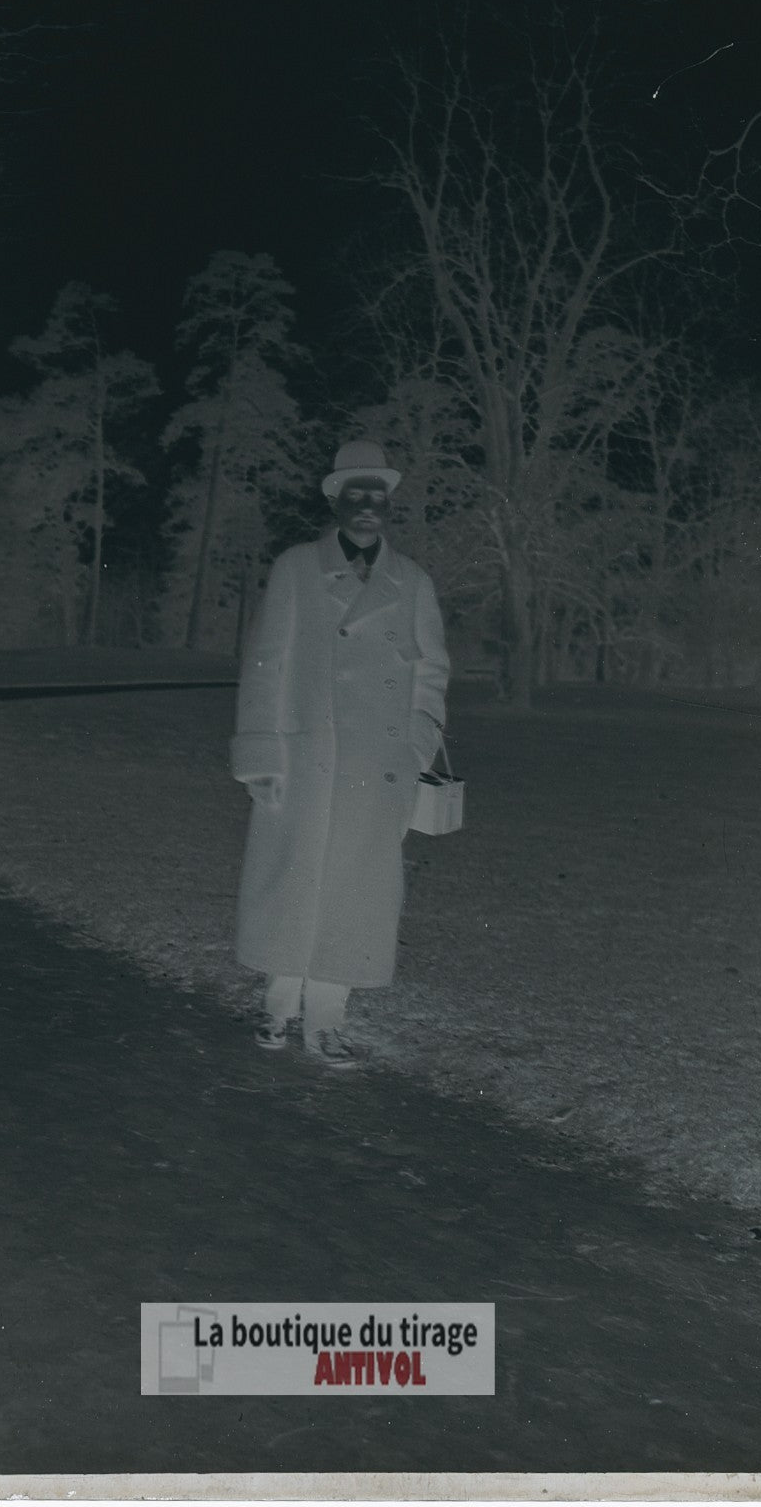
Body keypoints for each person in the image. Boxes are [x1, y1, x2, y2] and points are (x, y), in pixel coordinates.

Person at [230, 440, 450, 1069]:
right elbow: (266, 664)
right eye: (356, 494)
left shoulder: (411, 582)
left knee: (356, 890)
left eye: (377, 496)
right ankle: (277, 1005)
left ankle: (327, 1021)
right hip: (304, 760)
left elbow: (433, 673)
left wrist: (415, 746)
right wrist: (260, 755)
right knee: (291, 876)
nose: (367, 507)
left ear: (387, 506)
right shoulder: (297, 567)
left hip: (376, 768)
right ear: (335, 499)